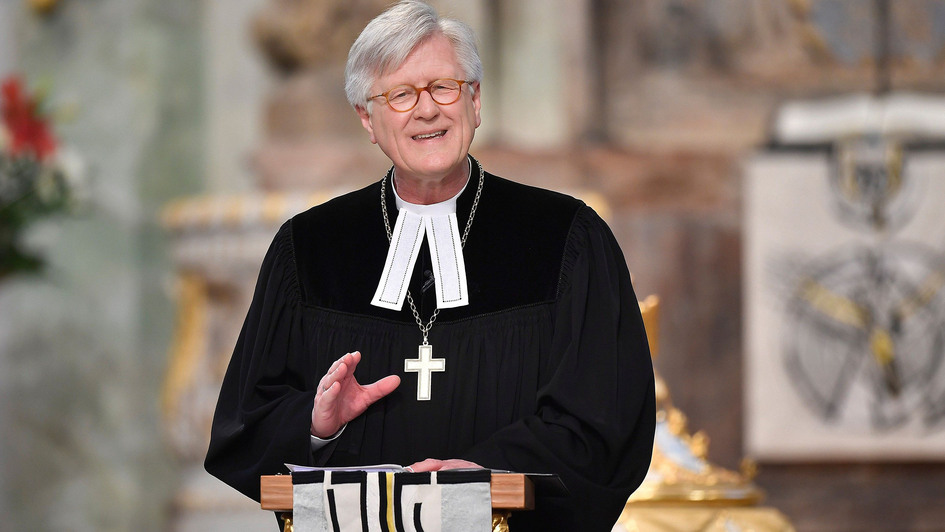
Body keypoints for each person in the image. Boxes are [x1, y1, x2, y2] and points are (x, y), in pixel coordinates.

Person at [204, 1, 655, 530]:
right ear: (367, 120)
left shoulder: (566, 238)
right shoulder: (309, 248)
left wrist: (488, 472)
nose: (427, 110)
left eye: (444, 86)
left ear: (476, 101)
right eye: (400, 95)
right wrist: (316, 424)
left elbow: (605, 421)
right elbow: (242, 426)